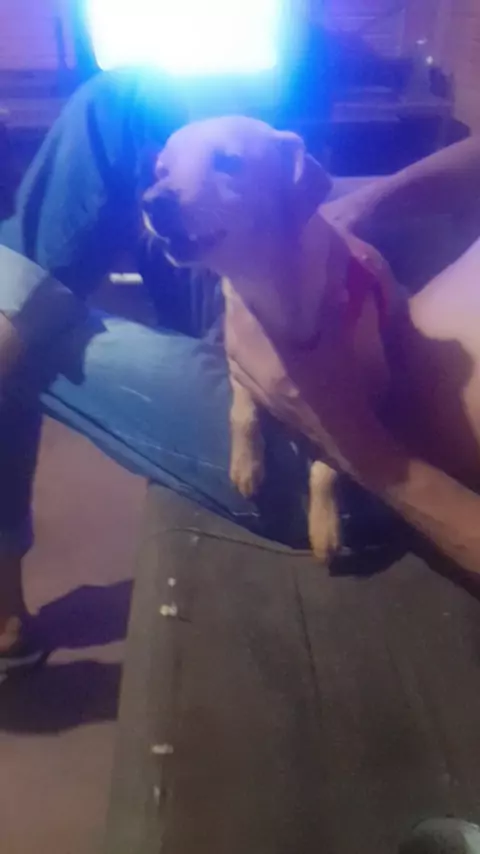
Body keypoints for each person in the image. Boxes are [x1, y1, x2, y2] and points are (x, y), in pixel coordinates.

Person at [1, 68, 480, 675]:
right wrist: (358, 208)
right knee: (124, 97)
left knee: (24, 325)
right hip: (312, 316)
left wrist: (356, 446)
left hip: (367, 460)